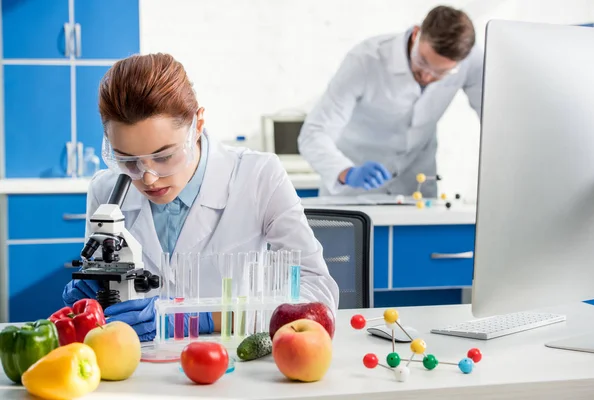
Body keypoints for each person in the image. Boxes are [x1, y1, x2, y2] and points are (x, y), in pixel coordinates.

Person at [62, 53, 340, 341]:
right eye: (128, 160)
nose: (148, 177)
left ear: (198, 125)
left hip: (232, 364)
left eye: (164, 156)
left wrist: (202, 318)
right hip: (138, 365)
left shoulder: (258, 176)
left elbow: (318, 295)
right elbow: (105, 298)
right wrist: (92, 299)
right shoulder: (106, 191)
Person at [298, 6, 483, 198]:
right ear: (416, 34)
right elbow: (314, 134)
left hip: (416, 191)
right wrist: (346, 172)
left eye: (441, 73)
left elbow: (494, 120)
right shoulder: (366, 60)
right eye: (423, 62)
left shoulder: (471, 61)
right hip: (353, 192)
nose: (427, 76)